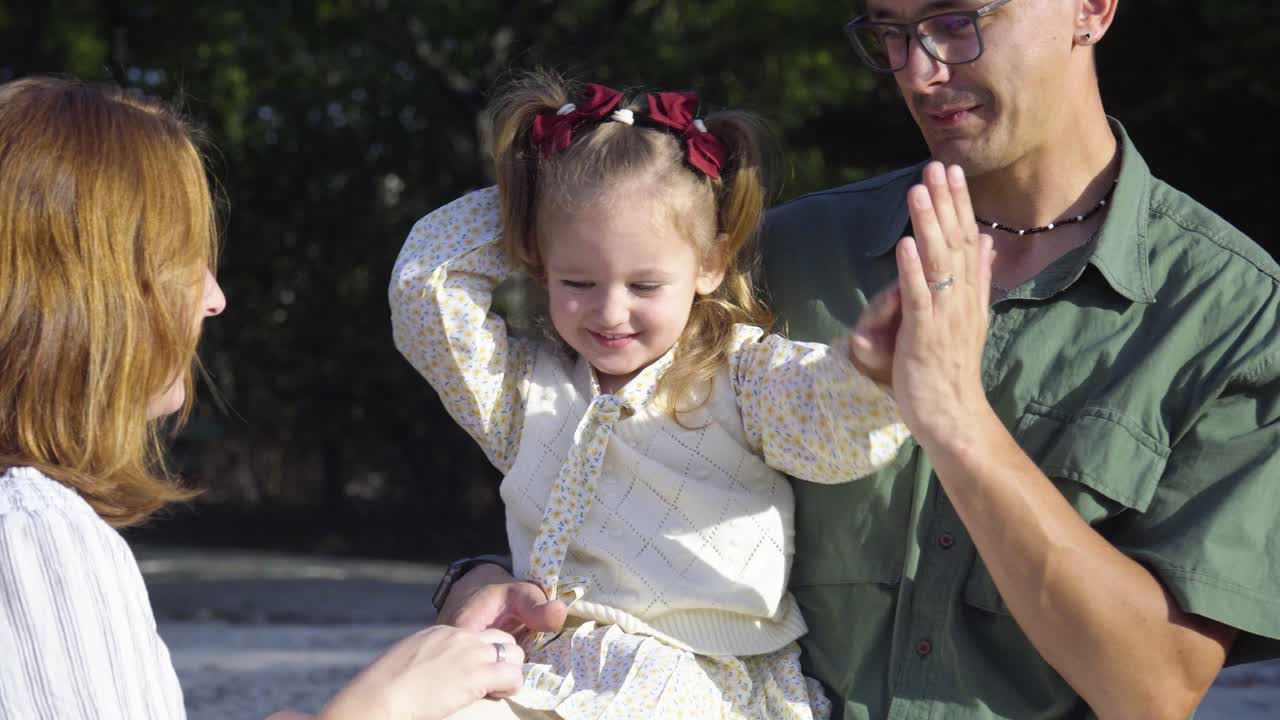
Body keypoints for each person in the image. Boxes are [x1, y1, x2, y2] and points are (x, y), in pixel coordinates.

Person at [432, 1, 1280, 718]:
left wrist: (956, 420)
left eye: (956, 20)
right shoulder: (777, 253)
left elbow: (1154, 688)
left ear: (1091, 7)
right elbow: (586, 453)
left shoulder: (1232, 315)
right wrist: (476, 580)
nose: (919, 71)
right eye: (890, 33)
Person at [389, 70, 923, 718]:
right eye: (578, 281)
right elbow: (426, 290)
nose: (610, 311)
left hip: (694, 675)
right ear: (538, 262)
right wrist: (528, 197)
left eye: (644, 285)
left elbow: (830, 430)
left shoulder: (740, 376)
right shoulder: (522, 393)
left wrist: (869, 369)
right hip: (546, 667)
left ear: (710, 263)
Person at [0, 76, 524, 720]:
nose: (213, 297)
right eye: (179, 259)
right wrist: (382, 704)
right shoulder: (33, 534)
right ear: (76, 292)